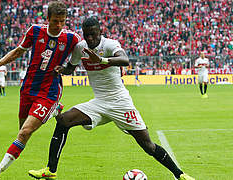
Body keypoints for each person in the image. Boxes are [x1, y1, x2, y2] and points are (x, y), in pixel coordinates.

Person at [29, 17, 194, 180]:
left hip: (120, 102)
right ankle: (51, 170)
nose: (90, 38)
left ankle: (180, 174)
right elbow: (70, 68)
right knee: (64, 121)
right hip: (99, 102)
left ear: (100, 32)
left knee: (148, 145)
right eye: (87, 35)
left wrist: (101, 60)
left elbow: (124, 60)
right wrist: (61, 69)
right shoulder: (80, 48)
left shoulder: (109, 44)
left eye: (93, 34)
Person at [0, 1, 80, 179]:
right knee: (22, 130)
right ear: (47, 19)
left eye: (62, 21)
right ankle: (54, 110)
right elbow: (17, 51)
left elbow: (86, 53)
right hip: (28, 88)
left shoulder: (72, 39)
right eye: (55, 21)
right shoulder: (35, 31)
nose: (58, 25)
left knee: (25, 132)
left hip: (49, 92)